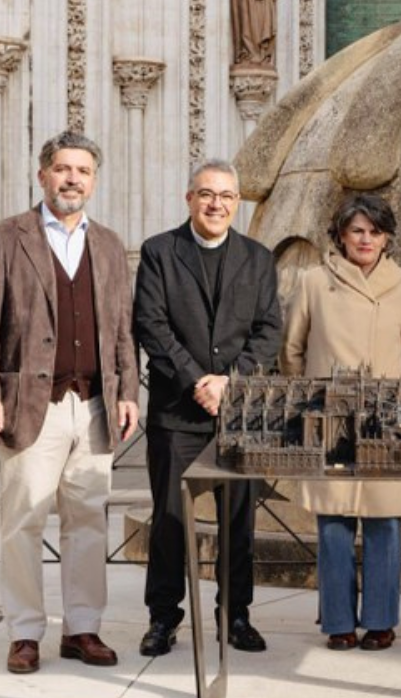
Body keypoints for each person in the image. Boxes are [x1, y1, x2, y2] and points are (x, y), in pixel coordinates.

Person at [0, 131, 140, 674]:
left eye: (82, 171)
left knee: (87, 521)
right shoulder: (5, 235)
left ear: (93, 180)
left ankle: (83, 628)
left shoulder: (109, 244)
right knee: (24, 520)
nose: (72, 180)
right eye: (62, 169)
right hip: (27, 405)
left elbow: (121, 330)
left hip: (93, 406)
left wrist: (128, 393)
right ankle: (24, 633)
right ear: (42, 175)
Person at [132, 159, 282, 656]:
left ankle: (235, 615)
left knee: (238, 522)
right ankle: (163, 618)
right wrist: (199, 381)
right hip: (177, 412)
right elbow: (152, 326)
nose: (216, 204)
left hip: (238, 415)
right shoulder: (159, 252)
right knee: (170, 521)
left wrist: (229, 381)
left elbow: (268, 332)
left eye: (226, 196)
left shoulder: (259, 259)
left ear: (237, 203)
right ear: (189, 198)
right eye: (206, 194)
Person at [280, 193, 401, 652]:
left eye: (375, 231)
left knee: (385, 524)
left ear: (387, 238)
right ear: (341, 234)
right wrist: (311, 398)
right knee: (334, 524)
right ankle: (338, 620)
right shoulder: (313, 282)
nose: (366, 239)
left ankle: (381, 619)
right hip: (330, 418)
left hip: (385, 423)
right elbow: (291, 349)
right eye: (357, 230)